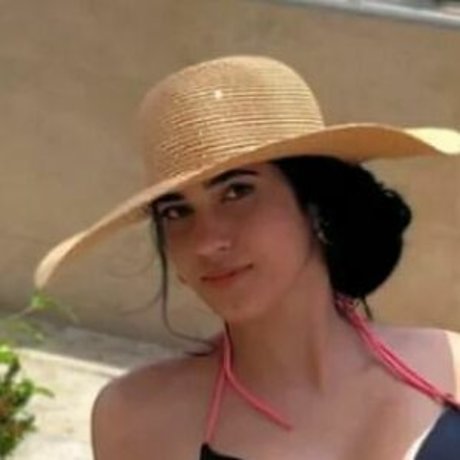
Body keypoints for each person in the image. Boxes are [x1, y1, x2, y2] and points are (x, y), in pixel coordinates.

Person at [34, 56, 460, 459]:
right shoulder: (137, 419)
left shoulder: (452, 363)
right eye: (176, 212)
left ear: (317, 206)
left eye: (237, 192)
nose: (206, 242)